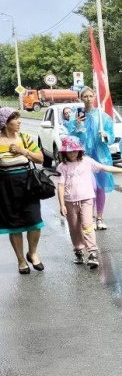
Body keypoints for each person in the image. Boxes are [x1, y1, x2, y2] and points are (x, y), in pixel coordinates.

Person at [56, 136, 122, 269]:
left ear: (79, 150)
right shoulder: (62, 166)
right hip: (69, 201)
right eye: (69, 151)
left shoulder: (87, 161)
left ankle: (92, 252)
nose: (72, 153)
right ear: (64, 152)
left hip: (86, 199)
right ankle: (78, 250)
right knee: (74, 227)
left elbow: (104, 167)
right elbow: (60, 185)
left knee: (87, 224)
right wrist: (62, 204)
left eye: (75, 150)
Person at [0, 107, 45, 274]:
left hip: (28, 186)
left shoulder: (24, 138)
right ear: (5, 123)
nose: (19, 121)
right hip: (6, 189)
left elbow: (40, 158)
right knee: (14, 225)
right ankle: (21, 260)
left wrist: (23, 151)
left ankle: (32, 253)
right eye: (15, 119)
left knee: (35, 222)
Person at [66, 87, 114, 230]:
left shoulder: (103, 116)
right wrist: (77, 126)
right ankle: (89, 218)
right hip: (83, 156)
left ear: (94, 97)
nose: (88, 99)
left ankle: (99, 217)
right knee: (88, 188)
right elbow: (71, 137)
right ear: (81, 98)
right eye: (85, 96)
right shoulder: (76, 116)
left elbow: (111, 136)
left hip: (100, 156)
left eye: (90, 96)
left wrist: (105, 135)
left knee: (100, 188)